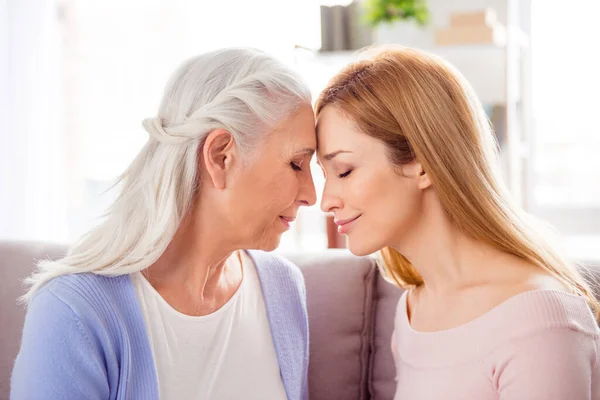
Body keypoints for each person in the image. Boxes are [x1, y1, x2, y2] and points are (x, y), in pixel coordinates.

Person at [11, 47, 317, 400]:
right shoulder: (73, 314)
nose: (311, 195)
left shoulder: (284, 288)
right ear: (221, 156)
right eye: (296, 164)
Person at [315, 45, 600, 399]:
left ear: (421, 163)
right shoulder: (414, 311)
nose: (326, 200)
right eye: (324, 174)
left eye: (344, 170)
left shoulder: (541, 322)